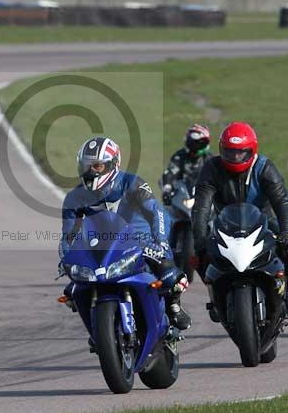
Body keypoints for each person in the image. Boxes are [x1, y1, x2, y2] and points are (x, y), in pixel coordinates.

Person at [59, 136, 191, 330]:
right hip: (101, 248)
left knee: (172, 277)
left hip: (139, 240)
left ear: (112, 164)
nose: (89, 172)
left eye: (96, 166)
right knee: (74, 291)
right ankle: (97, 328)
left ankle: (173, 304)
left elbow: (157, 212)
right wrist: (66, 257)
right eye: (85, 166)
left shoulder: (131, 182)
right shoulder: (74, 198)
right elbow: (68, 234)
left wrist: (161, 241)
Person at [192, 122, 288, 321]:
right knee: (199, 255)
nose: (235, 157)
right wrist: (199, 239)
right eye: (230, 152)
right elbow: (201, 207)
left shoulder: (264, 167)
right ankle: (215, 297)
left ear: (252, 150)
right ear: (221, 150)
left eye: (241, 153)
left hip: (264, 220)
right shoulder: (212, 168)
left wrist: (286, 232)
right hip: (225, 223)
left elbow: (283, 202)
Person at [160, 124, 211, 204]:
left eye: (198, 143)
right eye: (192, 143)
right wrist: (167, 190)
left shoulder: (210, 159)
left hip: (204, 198)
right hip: (182, 198)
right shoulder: (179, 156)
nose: (194, 147)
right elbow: (169, 173)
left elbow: (218, 177)